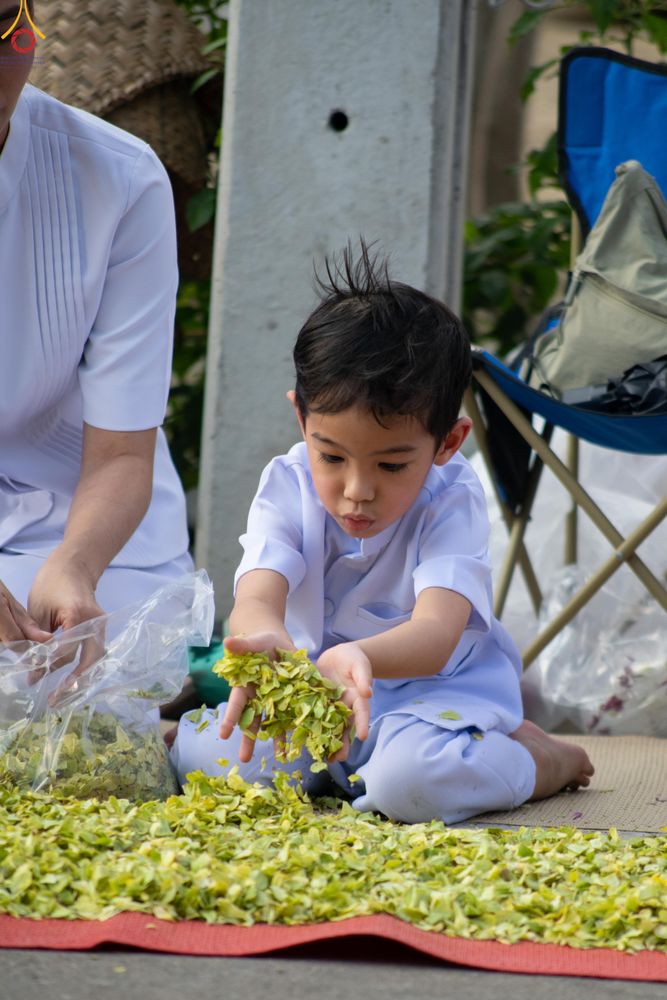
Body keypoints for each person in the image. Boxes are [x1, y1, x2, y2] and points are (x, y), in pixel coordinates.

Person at [171, 244, 594, 824]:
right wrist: (267, 643)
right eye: (332, 457)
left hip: (428, 703)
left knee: (407, 786)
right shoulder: (286, 484)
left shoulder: (451, 496)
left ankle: (536, 760)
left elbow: (437, 633)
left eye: (391, 465)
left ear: (448, 442)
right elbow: (255, 601)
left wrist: (354, 656)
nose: (356, 491)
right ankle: (338, 766)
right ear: (302, 420)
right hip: (318, 697)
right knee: (216, 763)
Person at [0, 1, 192, 645]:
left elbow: (119, 453)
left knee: (113, 651)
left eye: (6, 20)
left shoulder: (120, 179)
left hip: (72, 520)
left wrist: (74, 569)